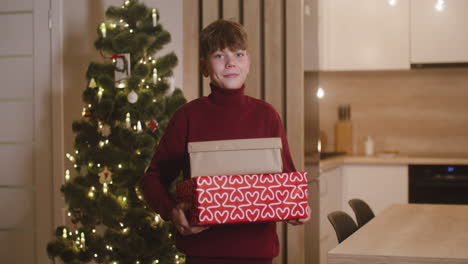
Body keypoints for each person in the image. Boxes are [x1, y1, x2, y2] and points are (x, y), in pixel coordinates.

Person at [141, 19, 310, 264]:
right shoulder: (187, 117)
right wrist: (172, 211)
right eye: (219, 55)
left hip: (258, 255)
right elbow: (152, 179)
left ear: (248, 61)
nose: (231, 62)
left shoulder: (267, 116)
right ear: (204, 66)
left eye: (238, 54)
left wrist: (298, 209)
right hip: (203, 255)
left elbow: (286, 180)